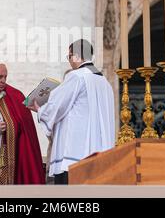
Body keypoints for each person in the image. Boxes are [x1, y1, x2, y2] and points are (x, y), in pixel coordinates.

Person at [29, 39, 115, 185]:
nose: (69, 61)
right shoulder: (104, 82)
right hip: (99, 153)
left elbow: (57, 105)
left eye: (69, 56)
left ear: (76, 56)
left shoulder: (76, 76)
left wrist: (40, 109)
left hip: (75, 153)